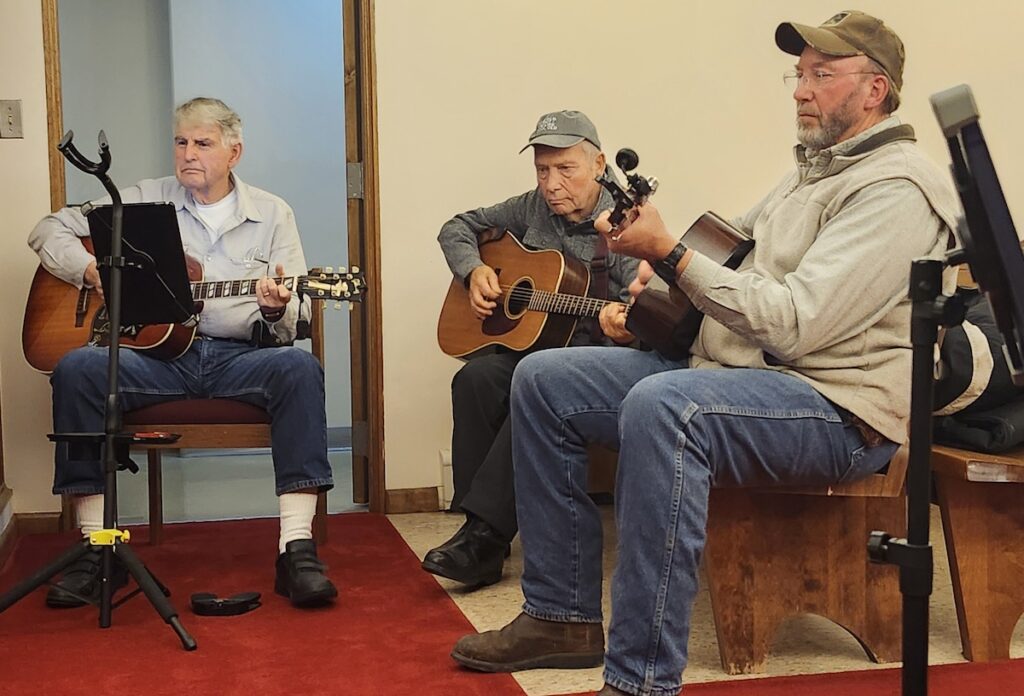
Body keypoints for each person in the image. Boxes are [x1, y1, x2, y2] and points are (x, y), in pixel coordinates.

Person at [450, 11, 961, 695]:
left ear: (875, 90)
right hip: (747, 373)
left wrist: (672, 254)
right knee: (543, 381)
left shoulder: (895, 188)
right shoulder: (810, 172)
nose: (801, 90)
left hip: (838, 408)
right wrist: (656, 282)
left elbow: (797, 324)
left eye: (822, 74)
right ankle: (560, 617)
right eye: (799, 73)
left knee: (668, 408)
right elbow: (730, 242)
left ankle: (639, 679)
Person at [28, 97, 337, 610]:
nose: (189, 153)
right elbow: (47, 230)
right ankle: (96, 550)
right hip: (156, 361)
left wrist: (274, 306)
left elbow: (290, 323)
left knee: (300, 368)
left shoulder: (272, 213)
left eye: (203, 143)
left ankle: (296, 549)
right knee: (78, 367)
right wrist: (90, 272)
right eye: (181, 142)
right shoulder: (142, 200)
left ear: (234, 152)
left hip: (240, 358)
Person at [427, 110, 640, 588]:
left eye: (566, 169)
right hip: (537, 351)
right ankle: (481, 533)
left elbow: (643, 311)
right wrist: (473, 271)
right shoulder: (530, 209)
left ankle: (481, 537)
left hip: (595, 364)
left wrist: (621, 323)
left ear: (600, 164)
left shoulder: (626, 226)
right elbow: (456, 227)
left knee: (534, 383)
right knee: (475, 379)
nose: (551, 184)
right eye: (543, 170)